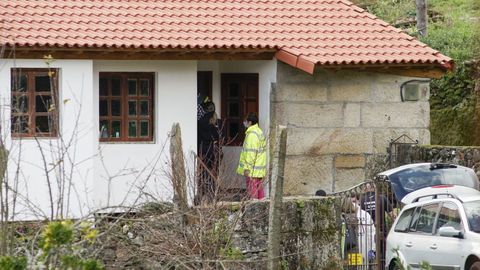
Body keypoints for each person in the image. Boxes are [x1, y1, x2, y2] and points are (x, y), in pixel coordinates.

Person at [236, 112, 266, 199]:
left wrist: (247, 169)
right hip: (258, 169)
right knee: (260, 191)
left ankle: (254, 210)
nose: (244, 123)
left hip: (252, 170)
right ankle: (262, 209)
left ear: (250, 122)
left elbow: (250, 154)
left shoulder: (252, 135)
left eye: (246, 121)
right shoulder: (259, 132)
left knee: (252, 192)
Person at [197, 101, 220, 204]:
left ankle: (203, 192)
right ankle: (212, 192)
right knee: (213, 171)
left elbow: (198, 137)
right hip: (213, 150)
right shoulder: (216, 122)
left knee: (204, 172)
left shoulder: (200, 122)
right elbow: (219, 137)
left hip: (203, 149)